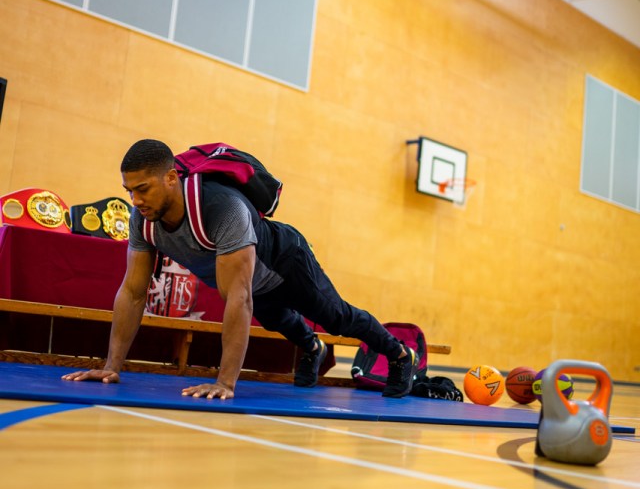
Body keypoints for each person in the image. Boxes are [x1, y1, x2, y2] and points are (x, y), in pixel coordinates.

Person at [63, 139, 417, 400]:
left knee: (337, 317)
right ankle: (312, 349)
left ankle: (400, 354)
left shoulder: (222, 207)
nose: (136, 201)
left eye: (143, 189)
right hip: (254, 284)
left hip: (286, 263)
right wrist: (112, 365)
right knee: (279, 320)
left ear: (171, 178)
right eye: (129, 191)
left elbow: (238, 298)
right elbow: (133, 291)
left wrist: (225, 382)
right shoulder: (143, 219)